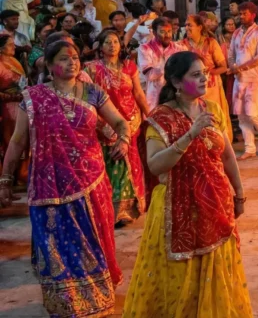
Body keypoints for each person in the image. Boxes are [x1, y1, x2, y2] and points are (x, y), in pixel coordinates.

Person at [0, 40, 132, 317]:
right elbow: (18, 141)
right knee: (57, 245)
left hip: (91, 180)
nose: (72, 62)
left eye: (74, 57)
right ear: (49, 66)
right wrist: (5, 179)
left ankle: (97, 297)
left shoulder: (93, 92)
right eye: (63, 58)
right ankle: (67, 301)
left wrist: (123, 140)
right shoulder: (33, 98)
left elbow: (120, 122)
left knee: (93, 241)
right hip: (50, 185)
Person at [122, 52, 251, 316]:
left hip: (215, 206)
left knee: (215, 269)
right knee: (180, 279)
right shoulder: (161, 118)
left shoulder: (212, 109)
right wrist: (190, 135)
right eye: (195, 74)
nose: (204, 78)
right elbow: (156, 165)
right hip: (176, 208)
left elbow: (227, 155)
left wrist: (238, 193)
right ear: (176, 82)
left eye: (204, 73)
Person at [84, 30, 150, 225]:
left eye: (115, 41)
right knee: (111, 164)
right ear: (100, 47)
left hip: (131, 121)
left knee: (130, 165)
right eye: (107, 42)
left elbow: (138, 94)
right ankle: (109, 210)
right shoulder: (92, 69)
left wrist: (149, 115)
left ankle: (127, 211)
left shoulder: (129, 66)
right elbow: (89, 98)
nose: (112, 45)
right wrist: (103, 125)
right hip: (105, 123)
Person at [228, 2, 258, 160]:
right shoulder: (236, 33)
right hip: (240, 80)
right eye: (240, 14)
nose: (241, 16)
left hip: (256, 80)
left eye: (244, 14)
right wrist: (233, 66)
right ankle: (250, 148)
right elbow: (231, 54)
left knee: (254, 114)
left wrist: (240, 68)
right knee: (242, 115)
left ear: (253, 15)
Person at [182, 14, 232, 137]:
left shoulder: (211, 43)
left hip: (212, 89)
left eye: (190, 25)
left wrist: (206, 72)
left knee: (213, 118)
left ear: (199, 27)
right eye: (185, 25)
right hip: (192, 89)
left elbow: (223, 67)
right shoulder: (182, 45)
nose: (186, 28)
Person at [138, 17, 184, 112]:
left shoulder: (180, 49)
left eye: (169, 31)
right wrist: (170, 65)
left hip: (177, 95)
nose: (167, 35)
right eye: (162, 32)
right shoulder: (145, 48)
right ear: (154, 33)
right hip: (154, 97)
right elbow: (149, 75)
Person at [0, 35, 26, 185]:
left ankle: (21, 176)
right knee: (10, 140)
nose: (14, 46)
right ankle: (8, 178)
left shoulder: (14, 61)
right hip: (7, 107)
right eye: (10, 44)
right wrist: (10, 96)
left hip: (21, 103)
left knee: (23, 138)